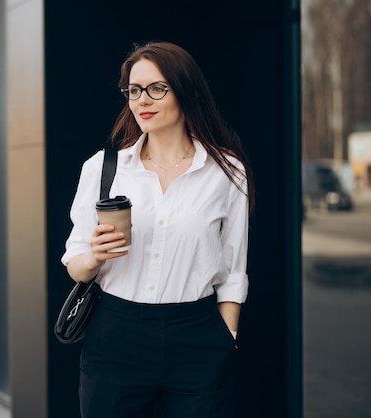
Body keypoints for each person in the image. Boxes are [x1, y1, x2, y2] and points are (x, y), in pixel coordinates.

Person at [61, 40, 255, 418]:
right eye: (133, 90)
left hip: (196, 334)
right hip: (116, 335)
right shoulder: (104, 169)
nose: (142, 101)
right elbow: (75, 262)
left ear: (185, 90)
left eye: (156, 88)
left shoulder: (227, 171)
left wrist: (226, 335)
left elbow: (233, 268)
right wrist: (95, 255)